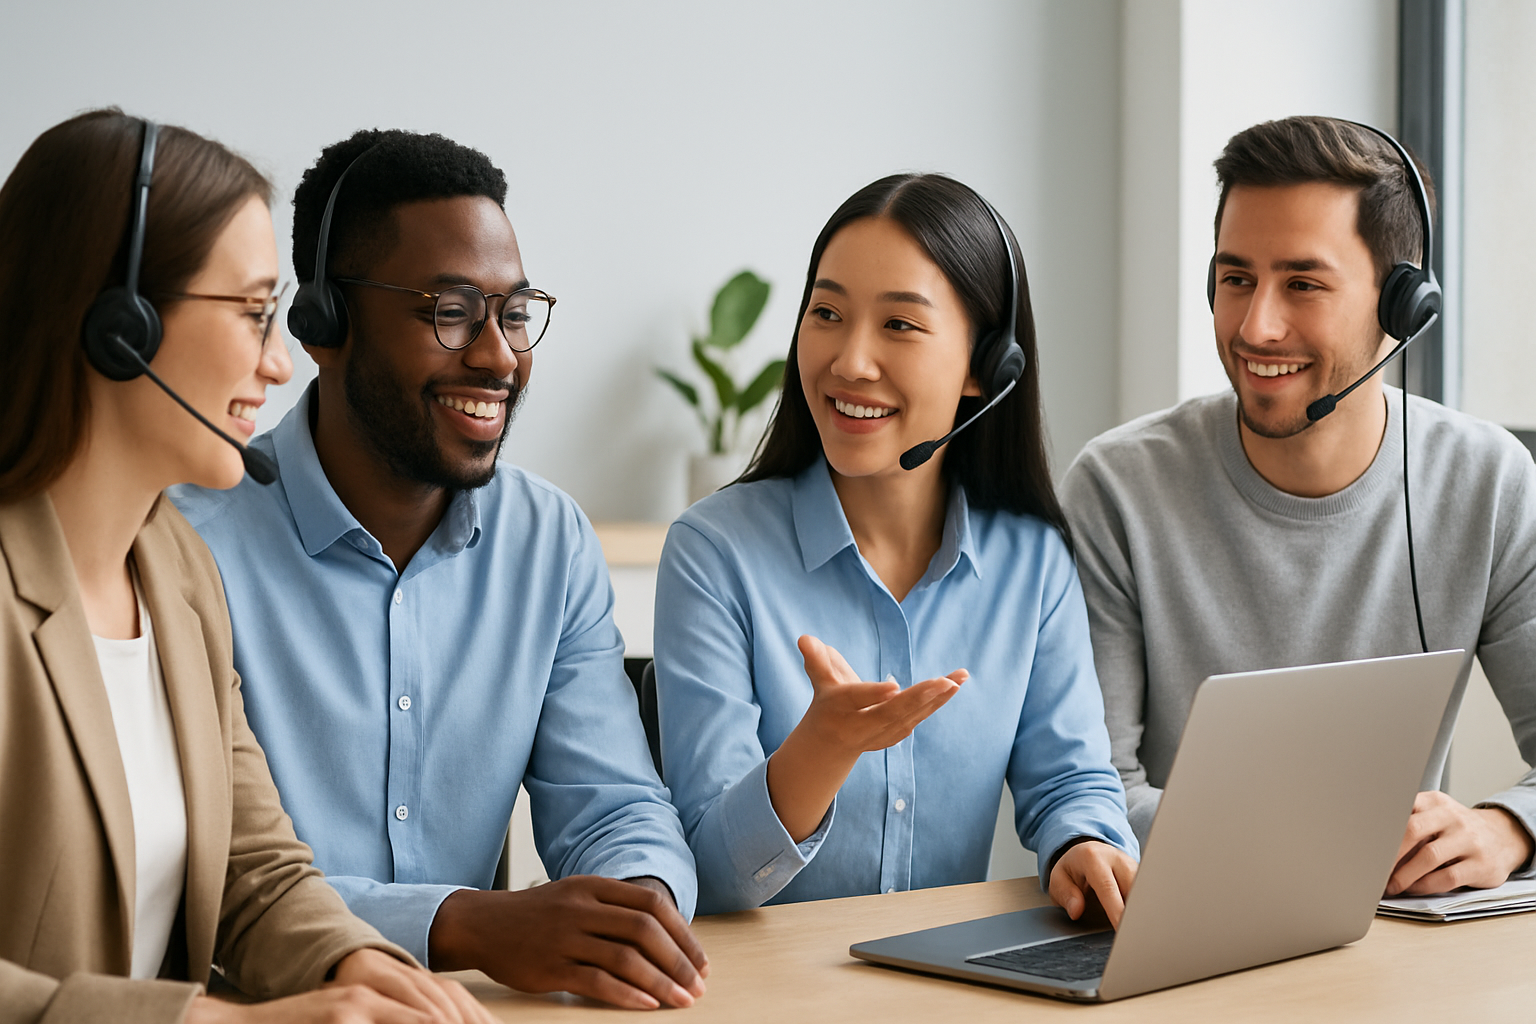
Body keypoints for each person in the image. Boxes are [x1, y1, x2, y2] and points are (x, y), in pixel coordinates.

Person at [170, 129, 707, 1012]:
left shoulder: (548, 541)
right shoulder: (187, 546)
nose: (498, 357)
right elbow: (209, 880)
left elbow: (614, 803)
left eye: (515, 313)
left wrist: (634, 903)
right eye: (450, 312)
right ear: (324, 326)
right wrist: (462, 924)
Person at [0, 111, 494, 1024]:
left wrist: (359, 965)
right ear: (120, 323)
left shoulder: (177, 571)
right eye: (255, 313)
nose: (278, 363)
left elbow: (253, 869)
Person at [1061, 115, 1536, 897]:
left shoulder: (1487, 482)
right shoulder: (1118, 489)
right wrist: (1328, 851)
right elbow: (1093, 794)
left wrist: (1506, 827)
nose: (1256, 326)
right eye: (1236, 278)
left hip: (1394, 934)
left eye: (1303, 284)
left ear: (1401, 305)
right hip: (1188, 918)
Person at [653, 173, 1139, 920]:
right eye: (827, 313)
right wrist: (822, 748)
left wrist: (1085, 844)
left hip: (947, 974)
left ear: (986, 366)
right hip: (765, 978)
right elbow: (711, 879)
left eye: (900, 325)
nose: (850, 361)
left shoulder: (1033, 562)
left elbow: (1071, 781)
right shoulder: (713, 554)